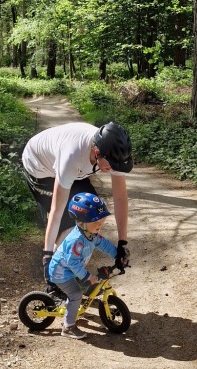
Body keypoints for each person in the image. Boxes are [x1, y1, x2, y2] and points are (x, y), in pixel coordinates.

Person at [21, 120, 133, 282]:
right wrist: (47, 256)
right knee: (70, 226)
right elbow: (56, 211)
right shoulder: (72, 157)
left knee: (94, 217)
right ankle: (57, 273)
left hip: (74, 167)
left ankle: (71, 270)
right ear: (96, 152)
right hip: (40, 167)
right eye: (111, 165)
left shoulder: (112, 152)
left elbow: (120, 197)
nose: (114, 168)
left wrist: (123, 243)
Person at [48, 192, 127, 339]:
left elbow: (103, 244)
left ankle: (71, 304)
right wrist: (87, 276)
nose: (99, 226)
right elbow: (72, 263)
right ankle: (68, 327)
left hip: (71, 270)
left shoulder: (91, 234)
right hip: (61, 273)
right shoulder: (76, 241)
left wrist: (117, 255)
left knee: (86, 287)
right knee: (76, 294)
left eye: (101, 223)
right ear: (80, 223)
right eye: (95, 223)